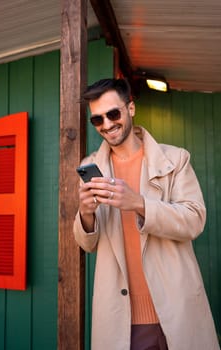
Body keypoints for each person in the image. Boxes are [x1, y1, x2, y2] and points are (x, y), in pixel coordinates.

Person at [73, 78, 220, 350]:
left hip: (176, 310)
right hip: (121, 318)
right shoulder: (90, 166)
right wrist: (86, 213)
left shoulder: (175, 160)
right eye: (97, 119)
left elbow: (194, 220)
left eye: (113, 114)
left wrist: (140, 203)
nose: (106, 125)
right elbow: (87, 244)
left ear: (130, 109)